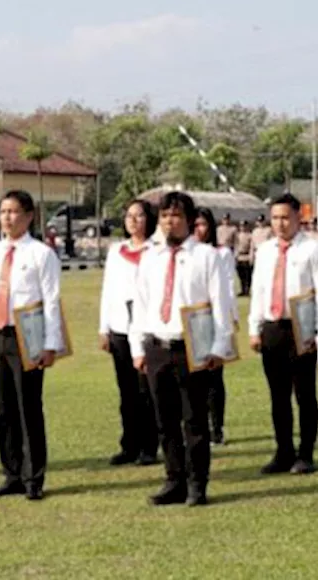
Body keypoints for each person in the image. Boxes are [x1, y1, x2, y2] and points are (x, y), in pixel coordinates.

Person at [130, 191, 232, 507]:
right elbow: (142, 304)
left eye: (175, 215)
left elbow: (222, 306)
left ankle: (197, 484)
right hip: (157, 345)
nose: (169, 222)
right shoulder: (151, 257)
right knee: (165, 420)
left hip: (193, 347)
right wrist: (138, 346)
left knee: (195, 420)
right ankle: (173, 479)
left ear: (188, 219)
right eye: (163, 216)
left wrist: (219, 346)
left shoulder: (207, 256)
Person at [0, 190, 63, 502]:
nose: (7, 218)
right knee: (3, 408)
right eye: (3, 212)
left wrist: (51, 344)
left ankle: (33, 476)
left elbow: (51, 302)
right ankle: (11, 473)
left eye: (13, 212)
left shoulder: (41, 254)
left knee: (28, 406)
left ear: (29, 216)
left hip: (27, 336)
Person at [249, 194, 318, 475]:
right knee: (278, 395)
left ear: (298, 217)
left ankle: (306, 453)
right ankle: (283, 451)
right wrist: (254, 328)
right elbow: (258, 290)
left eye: (285, 217)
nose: (280, 224)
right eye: (275, 218)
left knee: (304, 394)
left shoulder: (312, 249)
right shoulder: (266, 250)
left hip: (301, 327)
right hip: (273, 327)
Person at [99, 199, 160, 467]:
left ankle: (150, 445)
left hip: (146, 328)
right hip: (120, 327)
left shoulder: (156, 251)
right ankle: (129, 444)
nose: (133, 221)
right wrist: (104, 328)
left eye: (139, 216)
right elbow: (108, 290)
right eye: (129, 216)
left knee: (147, 390)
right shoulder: (116, 251)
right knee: (126, 391)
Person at [194, 207, 237, 446]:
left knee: (214, 376)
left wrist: (230, 321)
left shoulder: (220, 253)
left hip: (214, 320)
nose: (199, 230)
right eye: (195, 225)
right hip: (191, 322)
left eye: (203, 225)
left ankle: (216, 426)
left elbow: (228, 288)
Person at [235, 221, 254, 297]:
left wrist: (251, 256)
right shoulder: (238, 235)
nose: (242, 227)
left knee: (247, 275)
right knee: (241, 275)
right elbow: (236, 245)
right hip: (240, 256)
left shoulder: (250, 235)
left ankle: (247, 290)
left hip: (246, 256)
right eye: (241, 226)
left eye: (244, 226)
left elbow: (251, 246)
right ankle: (242, 290)